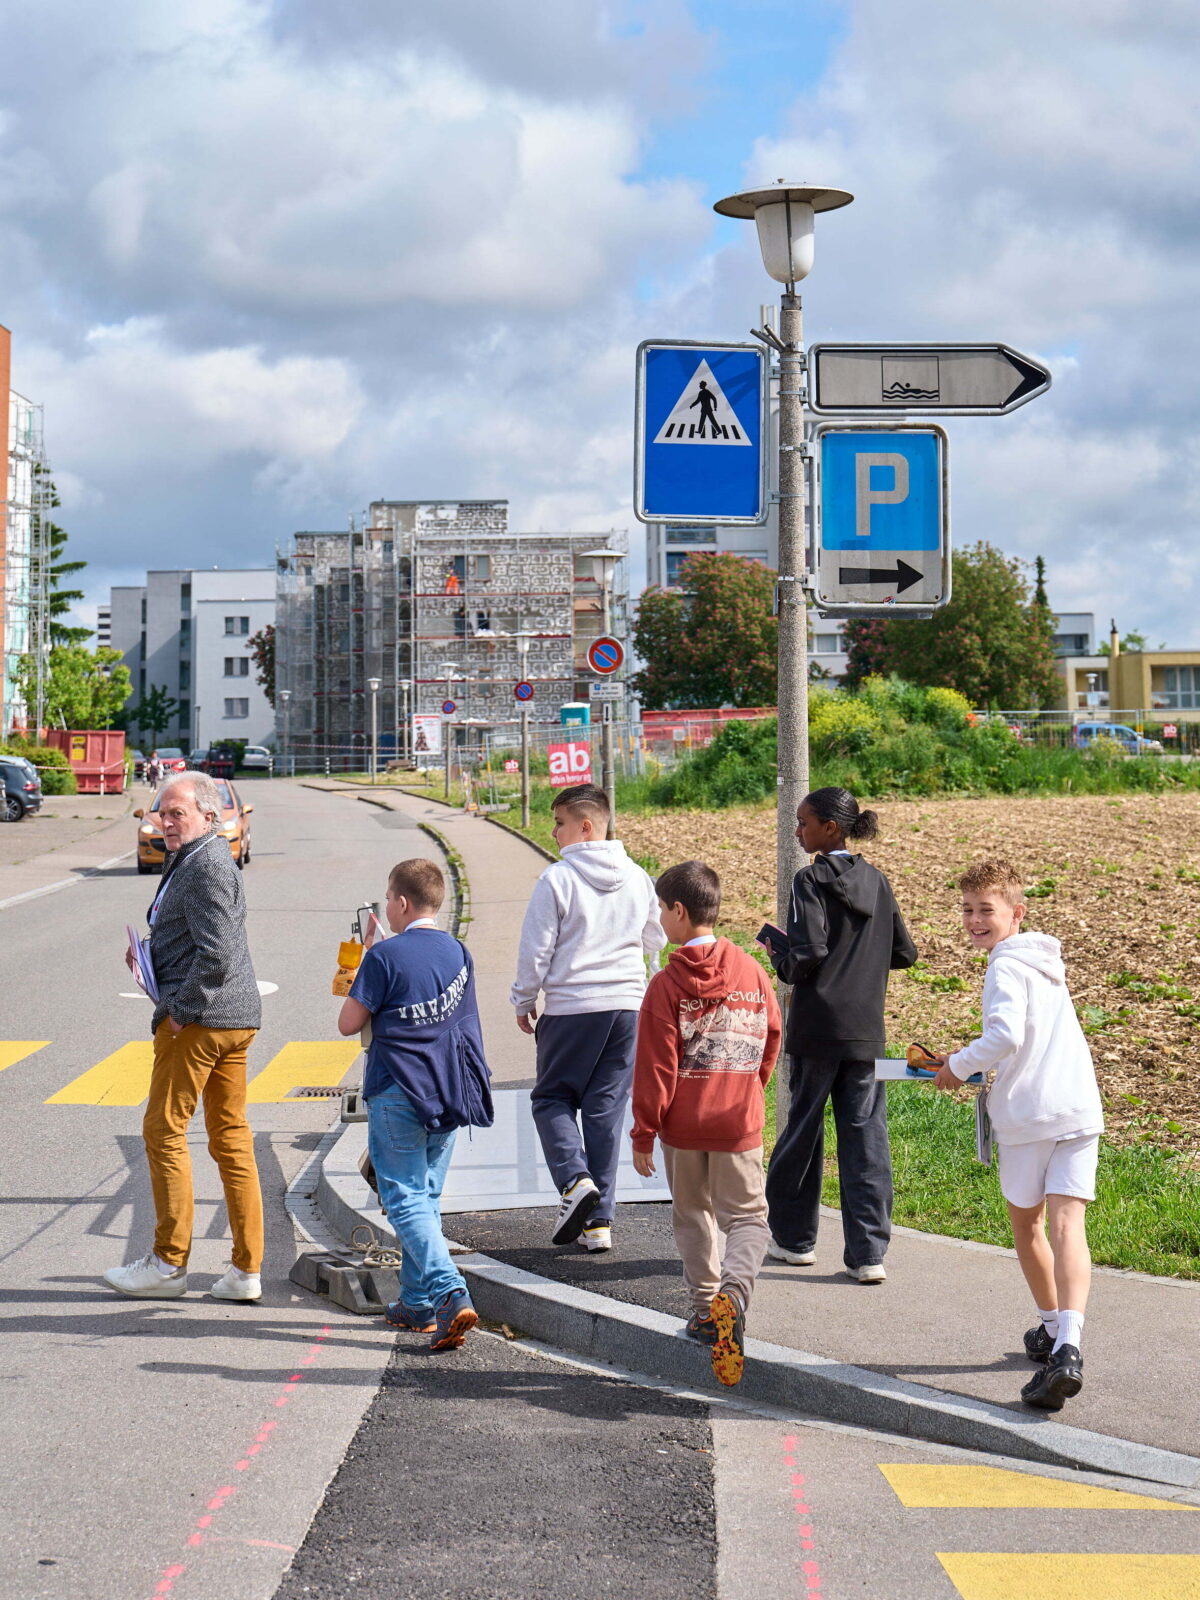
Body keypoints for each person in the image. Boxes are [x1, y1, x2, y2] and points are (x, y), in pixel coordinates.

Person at [929, 859, 1103, 1411]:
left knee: (1028, 1225)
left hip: (1031, 1116)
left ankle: (1052, 1329)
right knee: (1068, 1224)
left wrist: (956, 1064)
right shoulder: (1047, 962)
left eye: (986, 910)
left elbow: (1005, 1033)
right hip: (1079, 1107)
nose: (975, 919)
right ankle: (1066, 1346)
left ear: (1016, 913)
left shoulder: (1004, 967)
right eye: (968, 909)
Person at [106, 773, 264, 1302]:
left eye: (177, 813)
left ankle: (168, 1265)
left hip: (202, 1023)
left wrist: (178, 1011)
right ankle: (245, 1272)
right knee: (230, 1138)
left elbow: (216, 953)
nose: (165, 822)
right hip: (229, 1019)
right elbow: (198, 936)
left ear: (208, 815)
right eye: (161, 812)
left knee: (163, 1132)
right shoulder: (198, 858)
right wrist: (150, 953)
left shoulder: (209, 866)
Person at [631, 861, 781, 1388]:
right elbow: (771, 1037)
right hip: (737, 1118)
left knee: (692, 1213)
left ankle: (704, 1310)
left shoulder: (666, 986)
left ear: (678, 910)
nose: (659, 919)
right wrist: (749, 1089)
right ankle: (734, 1294)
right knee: (748, 1219)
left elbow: (655, 1067)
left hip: (682, 1124)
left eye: (661, 909)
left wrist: (643, 1132)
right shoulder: (751, 971)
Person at [762, 786, 917, 1283]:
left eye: (804, 823)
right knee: (865, 1139)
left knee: (803, 1134)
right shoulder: (877, 880)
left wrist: (777, 955)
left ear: (830, 828)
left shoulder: (807, 880)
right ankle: (869, 1255)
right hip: (866, 1031)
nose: (797, 830)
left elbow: (806, 954)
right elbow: (904, 953)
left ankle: (794, 1241)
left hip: (816, 1028)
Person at [338, 858, 492, 1351]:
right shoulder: (458, 952)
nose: (386, 906)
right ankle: (416, 1302)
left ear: (402, 903)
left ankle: (448, 1291)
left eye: (388, 897)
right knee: (424, 1198)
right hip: (449, 1089)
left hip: (397, 1090)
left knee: (403, 1198)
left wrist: (358, 971)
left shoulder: (383, 958)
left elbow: (348, 1023)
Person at [511, 783, 665, 1251]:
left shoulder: (557, 879)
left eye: (559, 823)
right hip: (626, 1008)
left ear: (585, 825)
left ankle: (574, 1180)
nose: (553, 832)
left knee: (551, 1099)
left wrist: (524, 999)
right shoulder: (639, 877)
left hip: (573, 1007)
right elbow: (654, 938)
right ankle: (599, 1224)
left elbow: (536, 950)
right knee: (603, 1112)